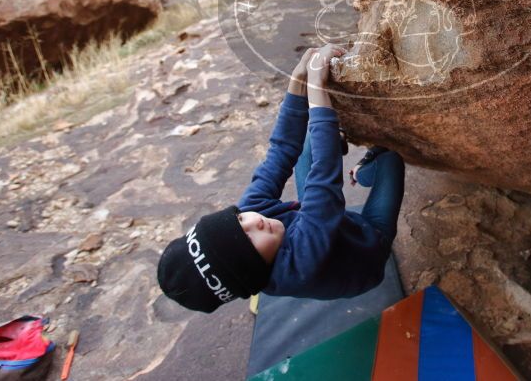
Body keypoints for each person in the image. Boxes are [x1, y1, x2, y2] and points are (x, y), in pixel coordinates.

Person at [156, 44, 406, 313]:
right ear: (255, 272)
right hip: (369, 243)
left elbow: (281, 149)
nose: (256, 222)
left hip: (320, 221)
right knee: (390, 156)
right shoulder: (297, 267)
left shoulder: (251, 214)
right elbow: (325, 185)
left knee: (311, 140)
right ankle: (366, 169)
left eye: (238, 220)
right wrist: (317, 90)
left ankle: (355, 160)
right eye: (249, 241)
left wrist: (297, 83)